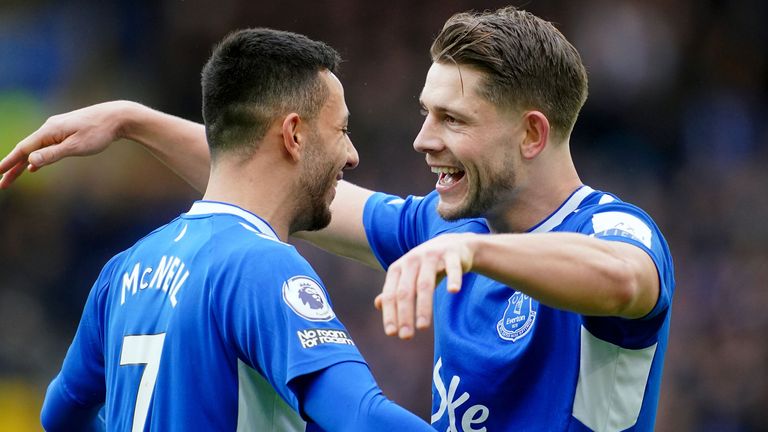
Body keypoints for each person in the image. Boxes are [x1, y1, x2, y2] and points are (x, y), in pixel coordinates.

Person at [1, 6, 675, 432]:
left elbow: (620, 281)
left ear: (531, 134)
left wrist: (474, 257)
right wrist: (134, 122)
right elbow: (284, 178)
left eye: (452, 119)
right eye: (423, 112)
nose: (422, 139)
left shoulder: (612, 233)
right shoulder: (448, 231)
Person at [30, 28, 435, 431]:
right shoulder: (261, 267)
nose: (352, 155)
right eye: (342, 131)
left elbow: (60, 413)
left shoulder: (122, 270)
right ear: (294, 135)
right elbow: (361, 417)